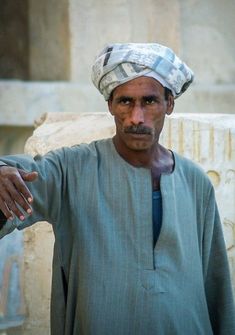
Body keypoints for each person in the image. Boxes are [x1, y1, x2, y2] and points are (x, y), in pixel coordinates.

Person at [0, 43, 234, 335]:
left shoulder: (196, 182)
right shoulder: (71, 170)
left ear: (169, 104)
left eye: (149, 102)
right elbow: (18, 175)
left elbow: (217, 288)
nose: (137, 117)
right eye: (125, 102)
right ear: (110, 104)